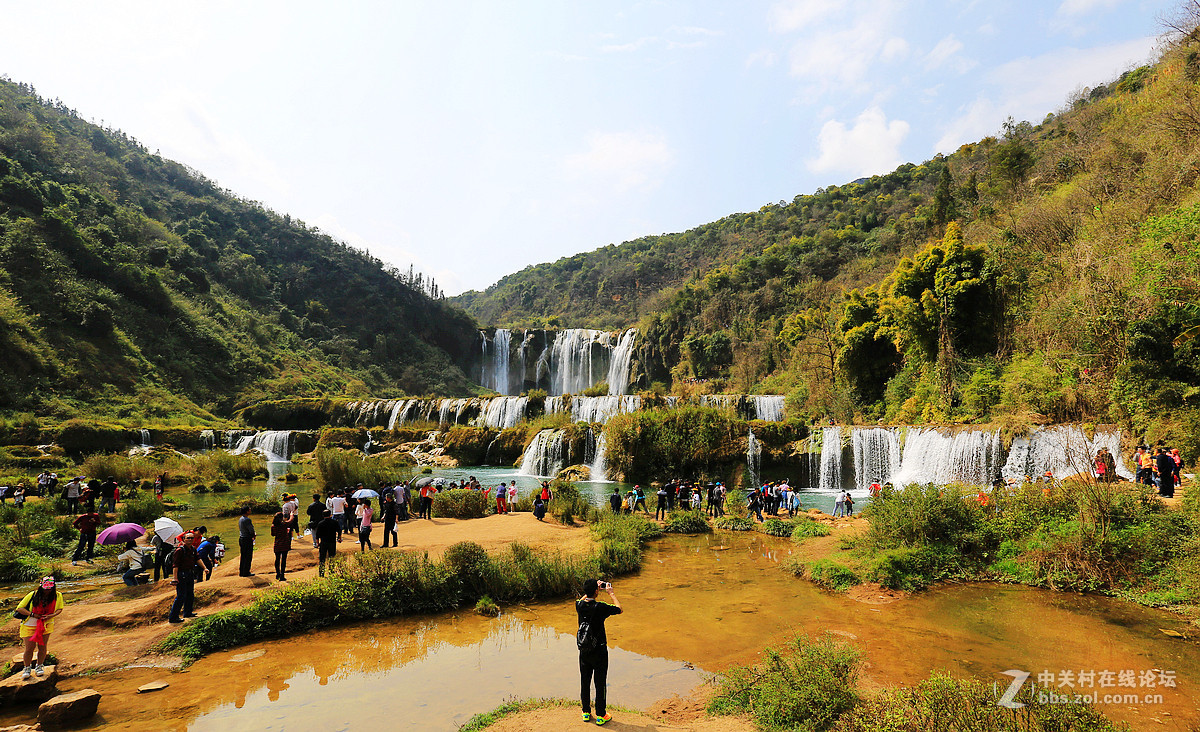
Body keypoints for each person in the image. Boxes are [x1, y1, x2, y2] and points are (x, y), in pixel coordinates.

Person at [576, 578, 622, 725]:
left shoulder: (579, 606)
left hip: (584, 650)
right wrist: (611, 593)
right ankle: (601, 715)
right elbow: (619, 609)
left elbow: (582, 599)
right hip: (599, 650)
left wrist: (592, 590)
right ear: (597, 591)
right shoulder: (600, 607)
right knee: (600, 682)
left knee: (585, 681)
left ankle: (585, 712)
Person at [15, 577, 64, 679]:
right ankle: (27, 668)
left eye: (50, 588)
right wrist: (33, 614)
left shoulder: (58, 595)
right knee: (29, 648)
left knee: (42, 646)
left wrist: (51, 615)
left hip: (46, 625)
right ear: (41, 587)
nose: (48, 590)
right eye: (46, 588)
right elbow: (20, 608)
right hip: (29, 625)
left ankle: (39, 666)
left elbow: (60, 608)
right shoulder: (33, 594)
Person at [168, 531, 199, 623]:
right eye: (188, 538)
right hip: (181, 575)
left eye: (192, 538)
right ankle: (173, 617)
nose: (190, 539)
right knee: (181, 596)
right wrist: (175, 578)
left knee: (190, 594)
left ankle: (188, 612)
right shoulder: (179, 550)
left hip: (189, 574)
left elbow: (198, 559)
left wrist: (205, 568)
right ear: (184, 540)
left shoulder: (193, 549)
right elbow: (175, 565)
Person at [316, 509, 339, 577]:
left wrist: (317, 543)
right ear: (330, 515)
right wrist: (339, 538)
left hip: (323, 542)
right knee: (332, 557)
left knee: (322, 558)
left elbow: (317, 535)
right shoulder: (334, 522)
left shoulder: (320, 523)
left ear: (323, 515)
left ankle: (321, 573)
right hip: (332, 542)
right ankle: (331, 572)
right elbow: (339, 531)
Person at [270, 512, 292, 581]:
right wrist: (291, 515)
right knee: (283, 560)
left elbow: (273, 534)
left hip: (277, 544)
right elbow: (290, 520)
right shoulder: (284, 524)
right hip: (285, 544)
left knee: (277, 559)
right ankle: (282, 575)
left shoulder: (273, 526)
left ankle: (277, 574)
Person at [238, 505, 256, 577]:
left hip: (242, 538)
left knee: (243, 556)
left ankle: (242, 572)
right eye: (249, 509)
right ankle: (246, 572)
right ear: (247, 511)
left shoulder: (241, 519)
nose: (250, 511)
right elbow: (251, 530)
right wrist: (253, 535)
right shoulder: (247, 520)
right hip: (247, 539)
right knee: (248, 556)